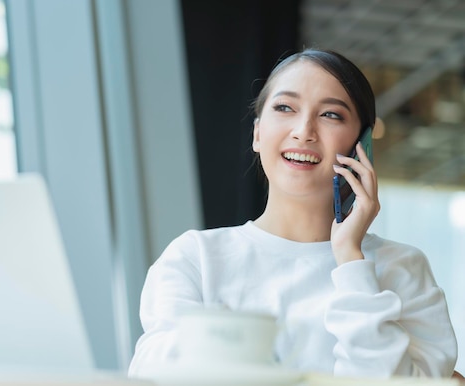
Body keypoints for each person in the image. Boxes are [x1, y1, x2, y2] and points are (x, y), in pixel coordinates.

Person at [128, 49, 458, 378]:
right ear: (258, 133)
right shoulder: (196, 258)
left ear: (363, 145)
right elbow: (154, 374)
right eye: (285, 107)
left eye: (330, 115)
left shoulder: (401, 267)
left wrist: (351, 260)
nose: (303, 131)